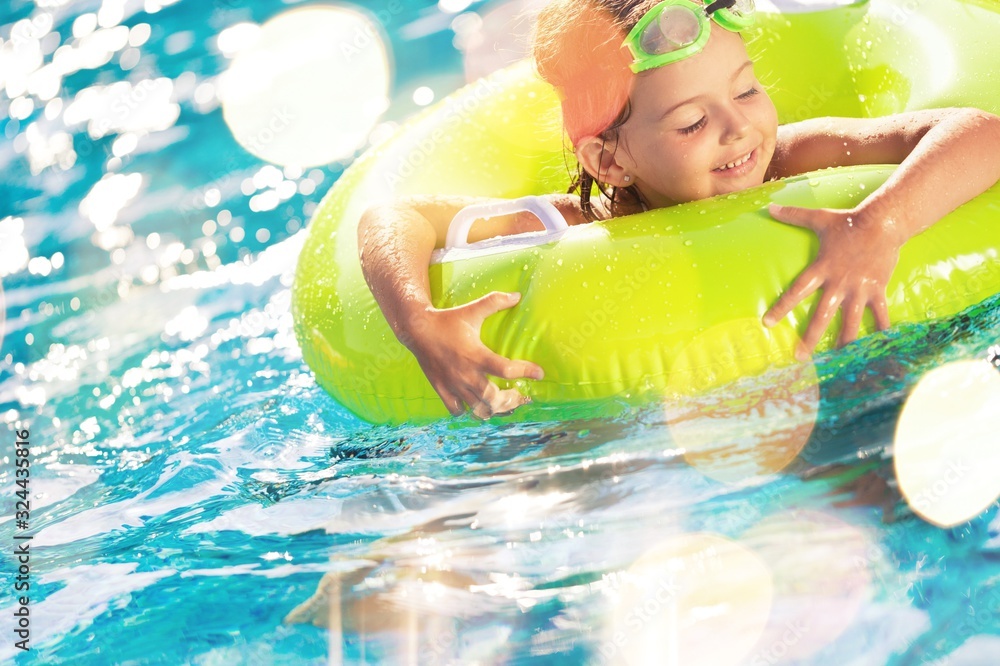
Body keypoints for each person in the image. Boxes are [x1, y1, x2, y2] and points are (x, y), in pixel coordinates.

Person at [357, 0, 1000, 420]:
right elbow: (390, 218)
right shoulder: (575, 228)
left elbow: (981, 132)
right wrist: (419, 321)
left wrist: (879, 224)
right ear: (609, 161)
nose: (738, 127)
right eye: (692, 122)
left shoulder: (792, 158)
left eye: (748, 88)